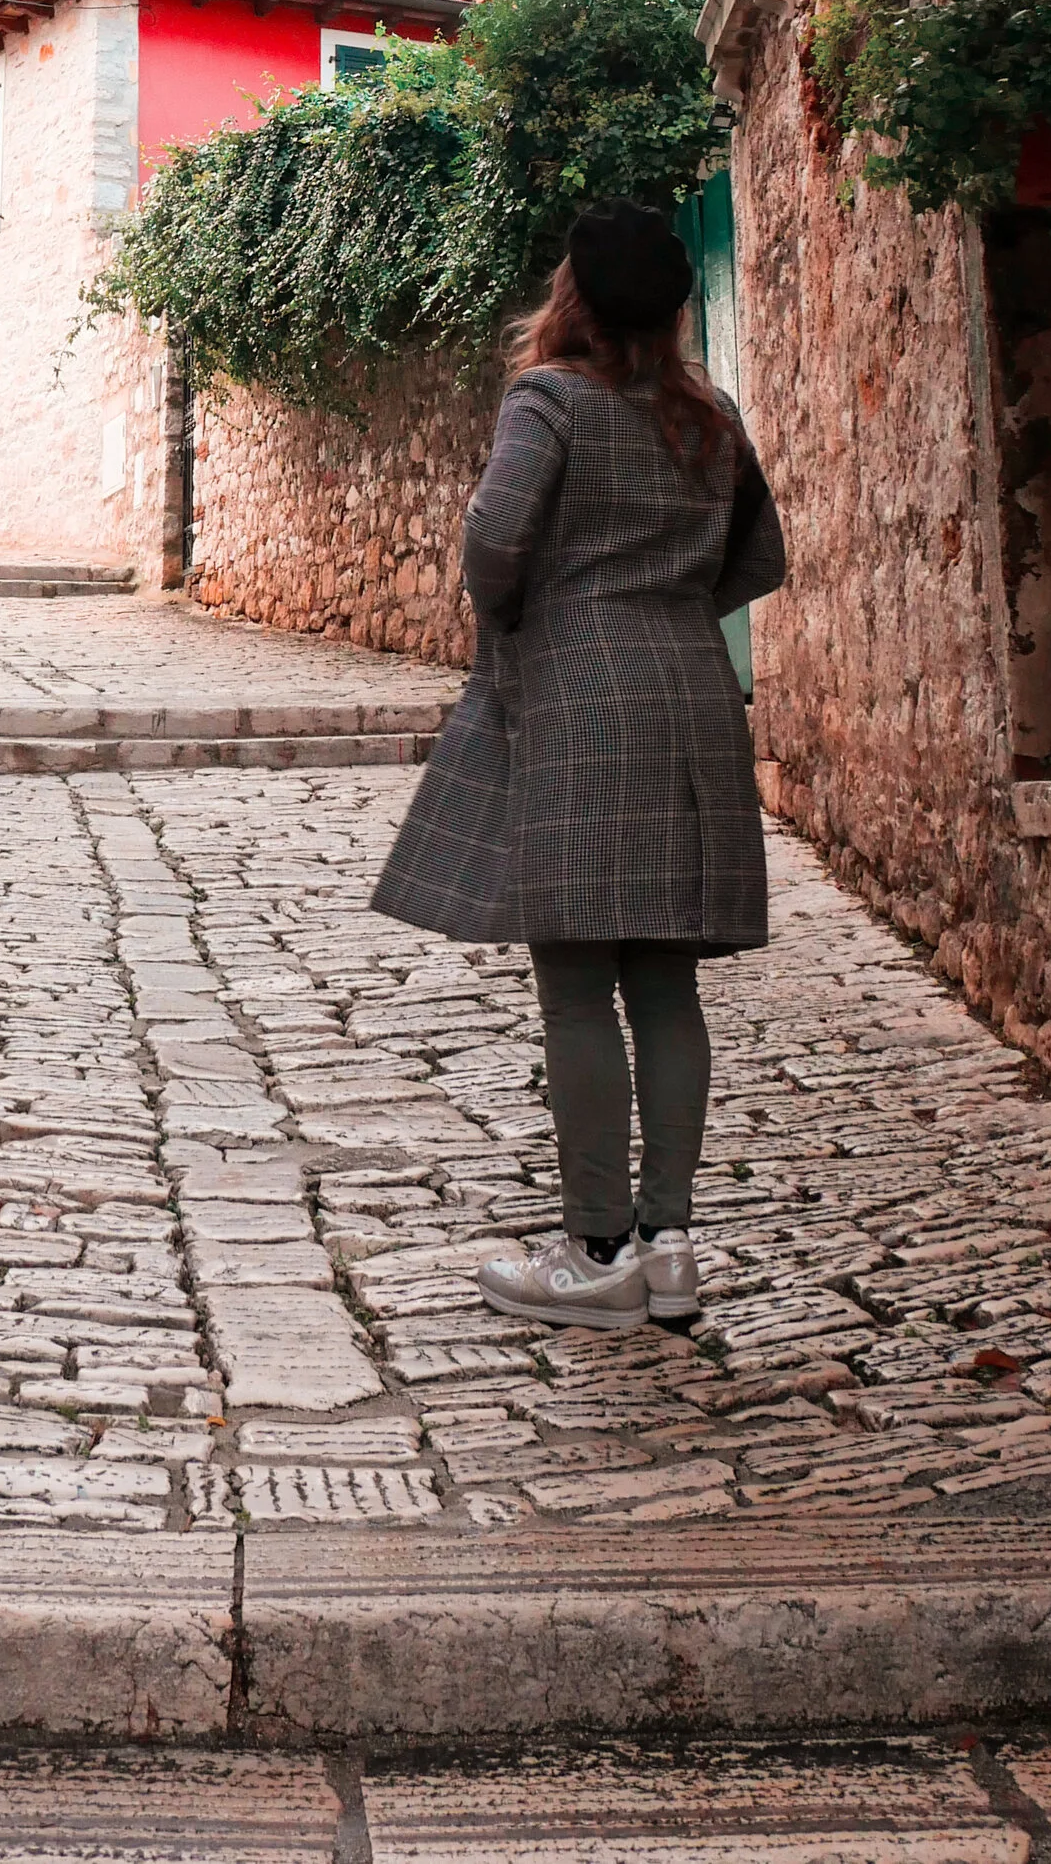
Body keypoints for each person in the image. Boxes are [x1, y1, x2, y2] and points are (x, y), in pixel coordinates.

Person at [371, 198, 787, 1331]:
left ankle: (594, 1248)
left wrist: (546, 614)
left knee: (573, 989)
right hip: (693, 694)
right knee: (666, 982)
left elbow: (494, 543)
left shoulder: (546, 399)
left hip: (577, 702)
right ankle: (669, 1249)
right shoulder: (712, 415)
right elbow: (761, 554)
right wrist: (661, 605)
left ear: (574, 300)